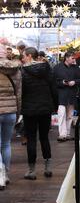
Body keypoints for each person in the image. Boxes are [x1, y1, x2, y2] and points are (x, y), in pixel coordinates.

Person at [21, 47, 56, 180]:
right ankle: (48, 167)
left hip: (29, 109)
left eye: (24, 56)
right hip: (45, 108)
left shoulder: (23, 71)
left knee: (31, 138)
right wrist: (55, 105)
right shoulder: (47, 69)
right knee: (44, 137)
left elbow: (21, 91)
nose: (22, 58)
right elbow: (53, 88)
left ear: (30, 56)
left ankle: (31, 170)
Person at [0, 44, 22, 188]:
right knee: (6, 144)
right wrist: (18, 112)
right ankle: (6, 173)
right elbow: (19, 94)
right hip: (11, 112)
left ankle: (0, 175)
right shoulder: (15, 70)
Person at [53, 51, 80, 142]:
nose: (74, 60)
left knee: (70, 115)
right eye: (72, 58)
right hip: (61, 93)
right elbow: (53, 81)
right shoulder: (57, 68)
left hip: (72, 94)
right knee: (61, 114)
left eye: (74, 58)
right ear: (66, 58)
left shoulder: (75, 68)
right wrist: (63, 82)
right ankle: (62, 134)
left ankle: (67, 133)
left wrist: (75, 82)